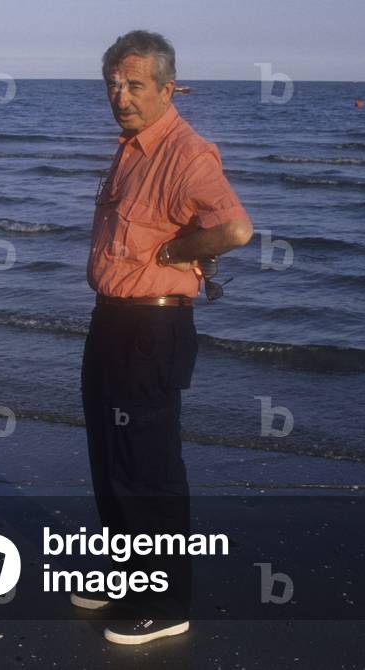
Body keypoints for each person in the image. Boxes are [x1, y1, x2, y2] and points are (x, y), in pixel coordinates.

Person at [73, 29, 253, 645]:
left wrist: (178, 248)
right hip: (112, 320)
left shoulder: (186, 152)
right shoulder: (131, 149)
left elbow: (233, 228)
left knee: (147, 466)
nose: (121, 96)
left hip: (152, 325)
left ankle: (168, 600)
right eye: (114, 85)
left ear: (168, 88)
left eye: (135, 85)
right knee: (109, 456)